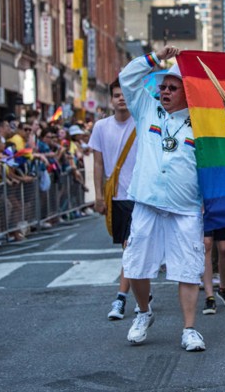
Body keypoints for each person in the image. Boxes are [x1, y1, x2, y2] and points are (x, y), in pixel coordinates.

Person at [119, 46, 207, 352]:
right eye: (162, 86)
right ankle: (144, 313)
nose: (164, 91)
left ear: (186, 91)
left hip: (185, 209)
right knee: (135, 266)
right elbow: (127, 78)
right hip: (147, 203)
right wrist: (155, 58)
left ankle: (190, 329)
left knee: (188, 269)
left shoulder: (202, 122)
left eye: (172, 87)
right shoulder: (147, 109)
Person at [89, 78, 140, 321]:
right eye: (116, 94)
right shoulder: (100, 127)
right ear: (110, 99)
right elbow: (98, 163)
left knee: (130, 249)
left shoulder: (141, 123)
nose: (121, 98)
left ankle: (121, 298)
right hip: (116, 197)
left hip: (140, 196)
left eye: (125, 94)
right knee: (129, 249)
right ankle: (143, 293)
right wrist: (99, 195)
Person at [200, 227, 225, 315]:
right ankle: (209, 297)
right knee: (206, 244)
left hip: (223, 213)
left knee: (224, 248)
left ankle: (223, 288)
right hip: (205, 213)